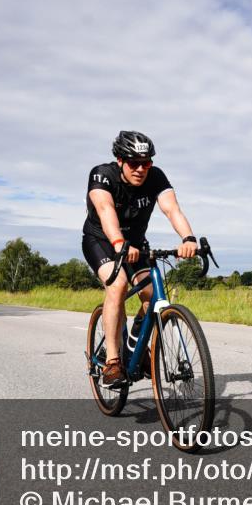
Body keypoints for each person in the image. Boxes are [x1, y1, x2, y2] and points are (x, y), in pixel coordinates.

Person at [81, 131, 198, 385]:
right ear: (120, 160)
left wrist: (188, 238)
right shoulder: (102, 175)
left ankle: (136, 347)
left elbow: (172, 209)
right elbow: (105, 209)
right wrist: (118, 242)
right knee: (118, 285)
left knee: (151, 295)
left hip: (135, 244)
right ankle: (113, 362)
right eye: (134, 163)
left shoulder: (155, 177)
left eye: (146, 163)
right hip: (101, 241)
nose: (141, 169)